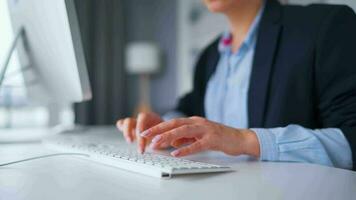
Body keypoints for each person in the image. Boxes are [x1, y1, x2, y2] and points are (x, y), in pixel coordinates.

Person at [116, 0, 356, 170]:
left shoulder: (325, 26)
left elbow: (352, 138)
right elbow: (190, 108)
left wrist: (244, 140)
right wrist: (166, 128)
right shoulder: (210, 56)